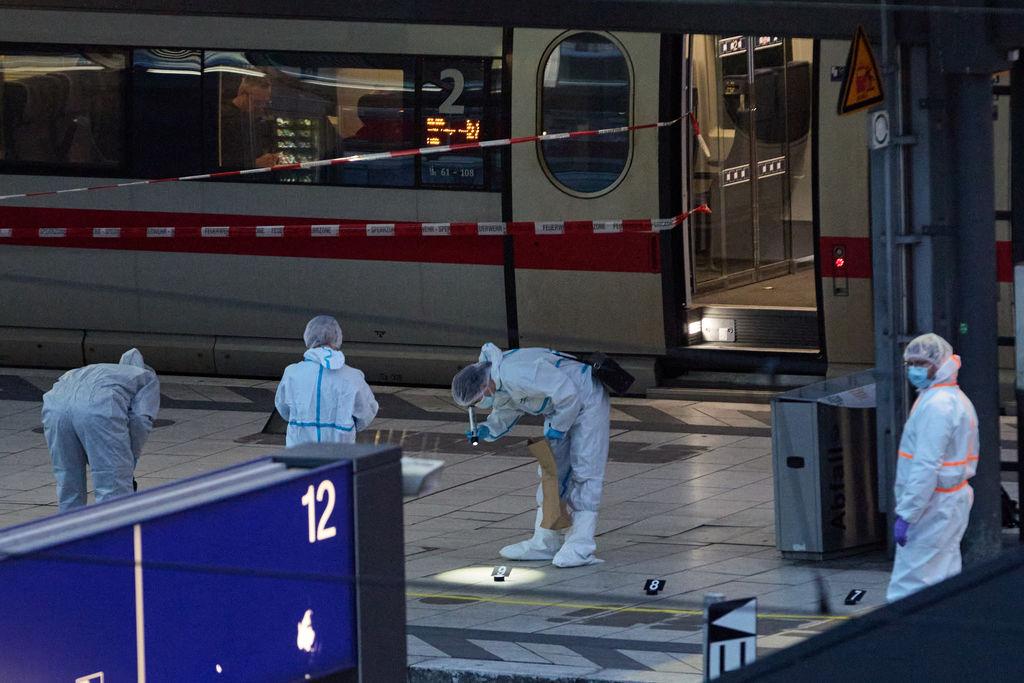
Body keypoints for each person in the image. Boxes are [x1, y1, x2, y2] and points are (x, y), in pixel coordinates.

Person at [451, 343, 611, 567]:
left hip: (587, 400)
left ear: (484, 388)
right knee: (551, 473)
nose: (482, 403)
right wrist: (489, 429)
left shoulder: (517, 372)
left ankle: (581, 547)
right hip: (559, 409)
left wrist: (558, 427)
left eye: (477, 401)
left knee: (586, 471)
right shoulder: (499, 380)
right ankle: (546, 542)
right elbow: (509, 407)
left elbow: (568, 394)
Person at [886, 333, 979, 602]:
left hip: (933, 505)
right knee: (942, 576)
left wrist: (908, 513)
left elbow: (925, 465)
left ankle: (906, 639)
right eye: (911, 363)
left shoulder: (937, 406)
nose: (914, 370)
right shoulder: (950, 398)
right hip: (947, 502)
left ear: (939, 364)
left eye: (921, 363)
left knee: (912, 583)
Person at [41, 348, 160, 512]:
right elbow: (141, 419)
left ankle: (69, 530)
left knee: (68, 479)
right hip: (98, 407)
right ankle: (114, 533)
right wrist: (128, 458)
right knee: (112, 486)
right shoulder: (147, 378)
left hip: (55, 406)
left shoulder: (103, 370)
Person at [275, 315, 378, 447]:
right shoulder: (353, 376)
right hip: (340, 452)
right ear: (337, 337)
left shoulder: (292, 373)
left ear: (308, 337)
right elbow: (366, 413)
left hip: (299, 452)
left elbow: (283, 408)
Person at [219, 74, 281, 169]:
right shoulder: (221, 117)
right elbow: (217, 158)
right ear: (242, 94)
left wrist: (272, 157)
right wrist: (252, 164)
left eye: (266, 102)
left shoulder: (260, 117)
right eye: (257, 102)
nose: (262, 106)